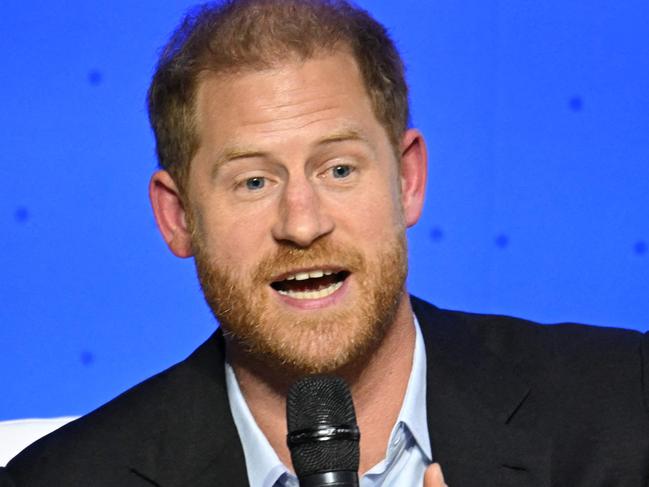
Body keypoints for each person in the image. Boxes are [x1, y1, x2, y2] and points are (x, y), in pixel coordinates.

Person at [2, 1, 648, 486]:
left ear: (407, 179)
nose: (303, 223)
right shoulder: (60, 478)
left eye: (337, 168)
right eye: (253, 180)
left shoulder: (626, 408)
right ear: (177, 218)